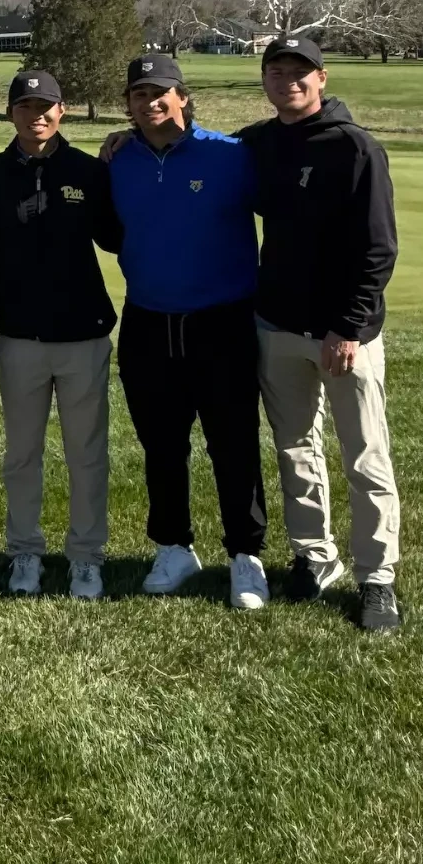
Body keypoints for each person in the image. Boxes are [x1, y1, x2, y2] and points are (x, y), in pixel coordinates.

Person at [241, 36, 402, 631]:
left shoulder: (355, 147)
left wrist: (348, 327)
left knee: (365, 455)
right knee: (295, 447)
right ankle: (315, 556)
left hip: (344, 334)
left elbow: (379, 248)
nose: (287, 80)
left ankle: (377, 577)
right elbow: (195, 148)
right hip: (277, 325)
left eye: (299, 72)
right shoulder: (259, 143)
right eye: (276, 70)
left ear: (322, 78)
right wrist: (129, 137)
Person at [108, 54, 269, 609]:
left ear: (182, 96)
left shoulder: (230, 156)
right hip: (148, 320)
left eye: (160, 92)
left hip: (221, 320)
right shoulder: (119, 159)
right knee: (161, 443)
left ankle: (246, 555)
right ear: (126, 105)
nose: (150, 102)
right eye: (138, 95)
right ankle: (174, 546)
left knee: (233, 441)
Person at [0, 71, 122, 600]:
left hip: (83, 336)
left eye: (47, 105)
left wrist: (122, 153)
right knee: (21, 454)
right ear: (10, 112)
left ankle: (86, 556)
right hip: (19, 337)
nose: (36, 114)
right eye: (26, 105)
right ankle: (24, 553)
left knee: (86, 453)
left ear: (62, 111)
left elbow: (116, 238)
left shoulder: (89, 170)